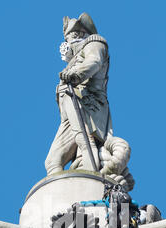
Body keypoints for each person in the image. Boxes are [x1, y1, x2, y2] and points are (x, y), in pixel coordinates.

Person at [45, 13, 112, 175]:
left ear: (79, 35)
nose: (66, 44)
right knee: (53, 162)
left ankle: (92, 175)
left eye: (70, 38)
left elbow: (93, 62)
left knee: (85, 141)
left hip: (86, 104)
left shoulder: (94, 43)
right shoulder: (72, 61)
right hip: (70, 109)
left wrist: (76, 75)